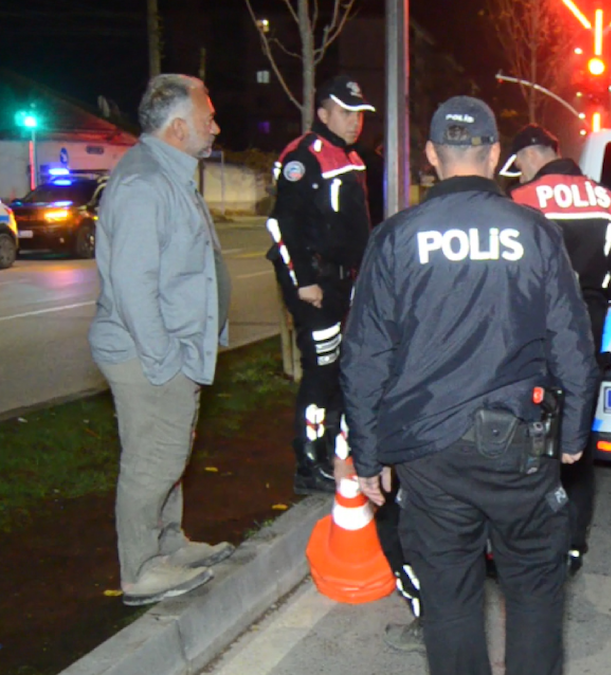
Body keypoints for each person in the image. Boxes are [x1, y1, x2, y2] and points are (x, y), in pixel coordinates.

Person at [341, 96, 599, 675]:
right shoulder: (534, 231)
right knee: (534, 589)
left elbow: (365, 357)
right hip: (520, 448)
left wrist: (368, 454)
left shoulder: (396, 236)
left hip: (428, 451)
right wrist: (575, 433)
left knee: (450, 602)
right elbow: (572, 340)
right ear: (495, 153)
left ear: (432, 155)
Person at [89, 74, 234, 606]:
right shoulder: (145, 184)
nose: (215, 127)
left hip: (175, 348)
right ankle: (140, 569)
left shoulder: (169, 174)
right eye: (207, 118)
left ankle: (167, 543)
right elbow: (133, 286)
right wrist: (165, 361)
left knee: (170, 454)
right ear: (177, 127)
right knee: (151, 460)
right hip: (148, 352)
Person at [508, 123, 611, 575]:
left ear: (530, 156)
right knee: (575, 442)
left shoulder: (519, 202)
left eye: (518, 164)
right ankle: (573, 544)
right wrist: (593, 300)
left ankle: (523, 542)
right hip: (584, 338)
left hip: (530, 341)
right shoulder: (610, 202)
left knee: (524, 439)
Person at [264, 75, 375, 495]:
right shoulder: (304, 157)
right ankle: (309, 464)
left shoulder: (350, 157)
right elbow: (283, 224)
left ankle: (332, 451)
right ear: (324, 113)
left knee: (338, 370)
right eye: (346, 113)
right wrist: (305, 282)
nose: (355, 121)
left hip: (342, 283)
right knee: (320, 370)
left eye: (359, 114)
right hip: (316, 285)